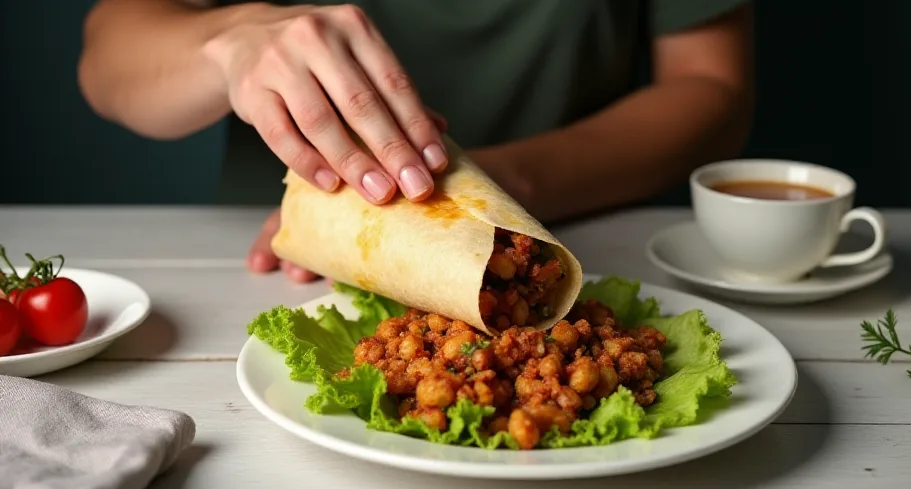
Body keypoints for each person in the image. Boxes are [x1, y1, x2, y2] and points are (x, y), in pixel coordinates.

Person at [78, 0, 755, 283]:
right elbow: (107, 61)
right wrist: (229, 45)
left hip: (571, 248)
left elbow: (711, 88)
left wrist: (490, 190)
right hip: (272, 276)